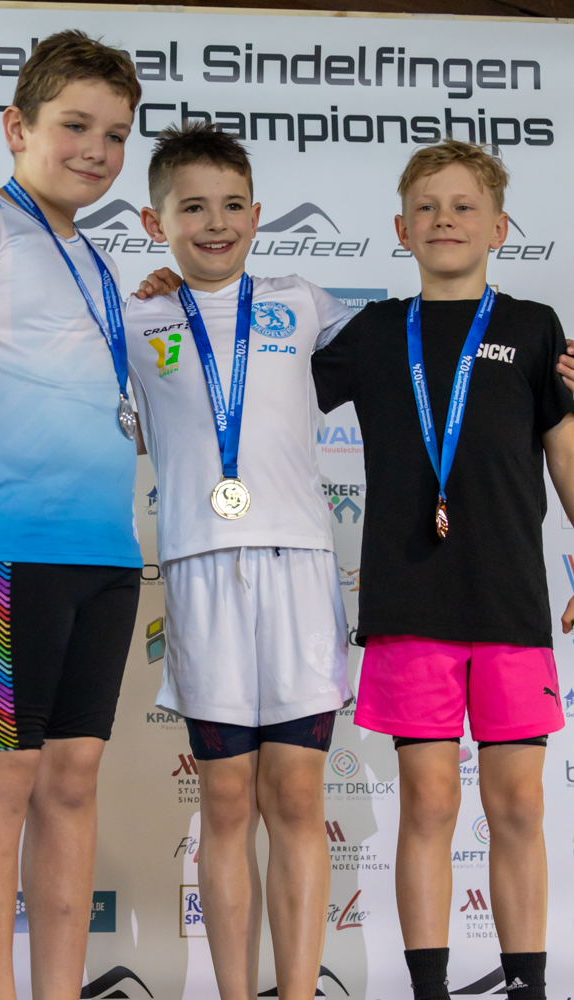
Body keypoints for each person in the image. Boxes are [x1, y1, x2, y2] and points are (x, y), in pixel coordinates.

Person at [0, 31, 143, 1000]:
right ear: (17, 126)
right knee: (0, 776)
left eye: (115, 134)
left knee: (73, 779)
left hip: (105, 554)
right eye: (75, 125)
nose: (96, 149)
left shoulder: (98, 258)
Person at [310, 140, 574, 1000]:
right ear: (400, 230)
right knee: (426, 801)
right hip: (407, 603)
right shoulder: (372, 333)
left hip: (508, 601)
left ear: (498, 228)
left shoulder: (533, 328)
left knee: (519, 803)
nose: (444, 220)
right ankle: (427, 987)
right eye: (425, 207)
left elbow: (564, 451)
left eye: (463, 207)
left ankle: (527, 984)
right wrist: (184, 289)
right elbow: (269, 367)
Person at [126, 123, 353, 1000]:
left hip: (299, 568)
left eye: (230, 206)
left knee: (295, 797)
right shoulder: (136, 317)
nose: (214, 224)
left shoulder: (304, 300)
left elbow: (416, 354)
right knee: (224, 804)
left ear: (257, 216)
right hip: (200, 570)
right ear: (156, 223)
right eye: (192, 208)